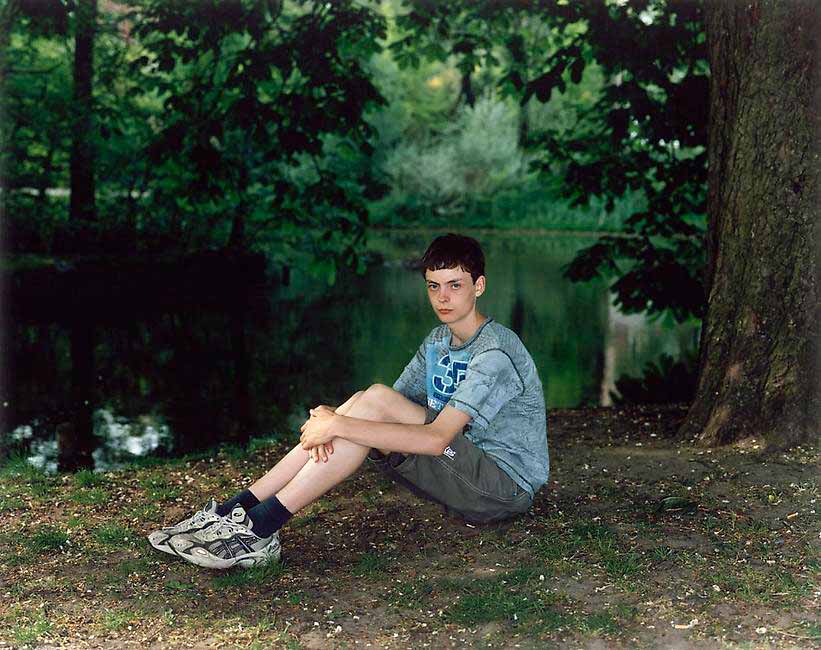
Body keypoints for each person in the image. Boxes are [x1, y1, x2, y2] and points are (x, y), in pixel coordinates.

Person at [148, 233, 549, 570]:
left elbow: (436, 438)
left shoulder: (495, 353)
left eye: (455, 285)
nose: (442, 297)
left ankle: (259, 530)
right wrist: (340, 418)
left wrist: (338, 424)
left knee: (361, 410)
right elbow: (382, 406)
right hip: (463, 470)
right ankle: (237, 512)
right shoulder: (439, 341)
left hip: (502, 489)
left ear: (478, 286)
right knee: (366, 399)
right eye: (433, 286)